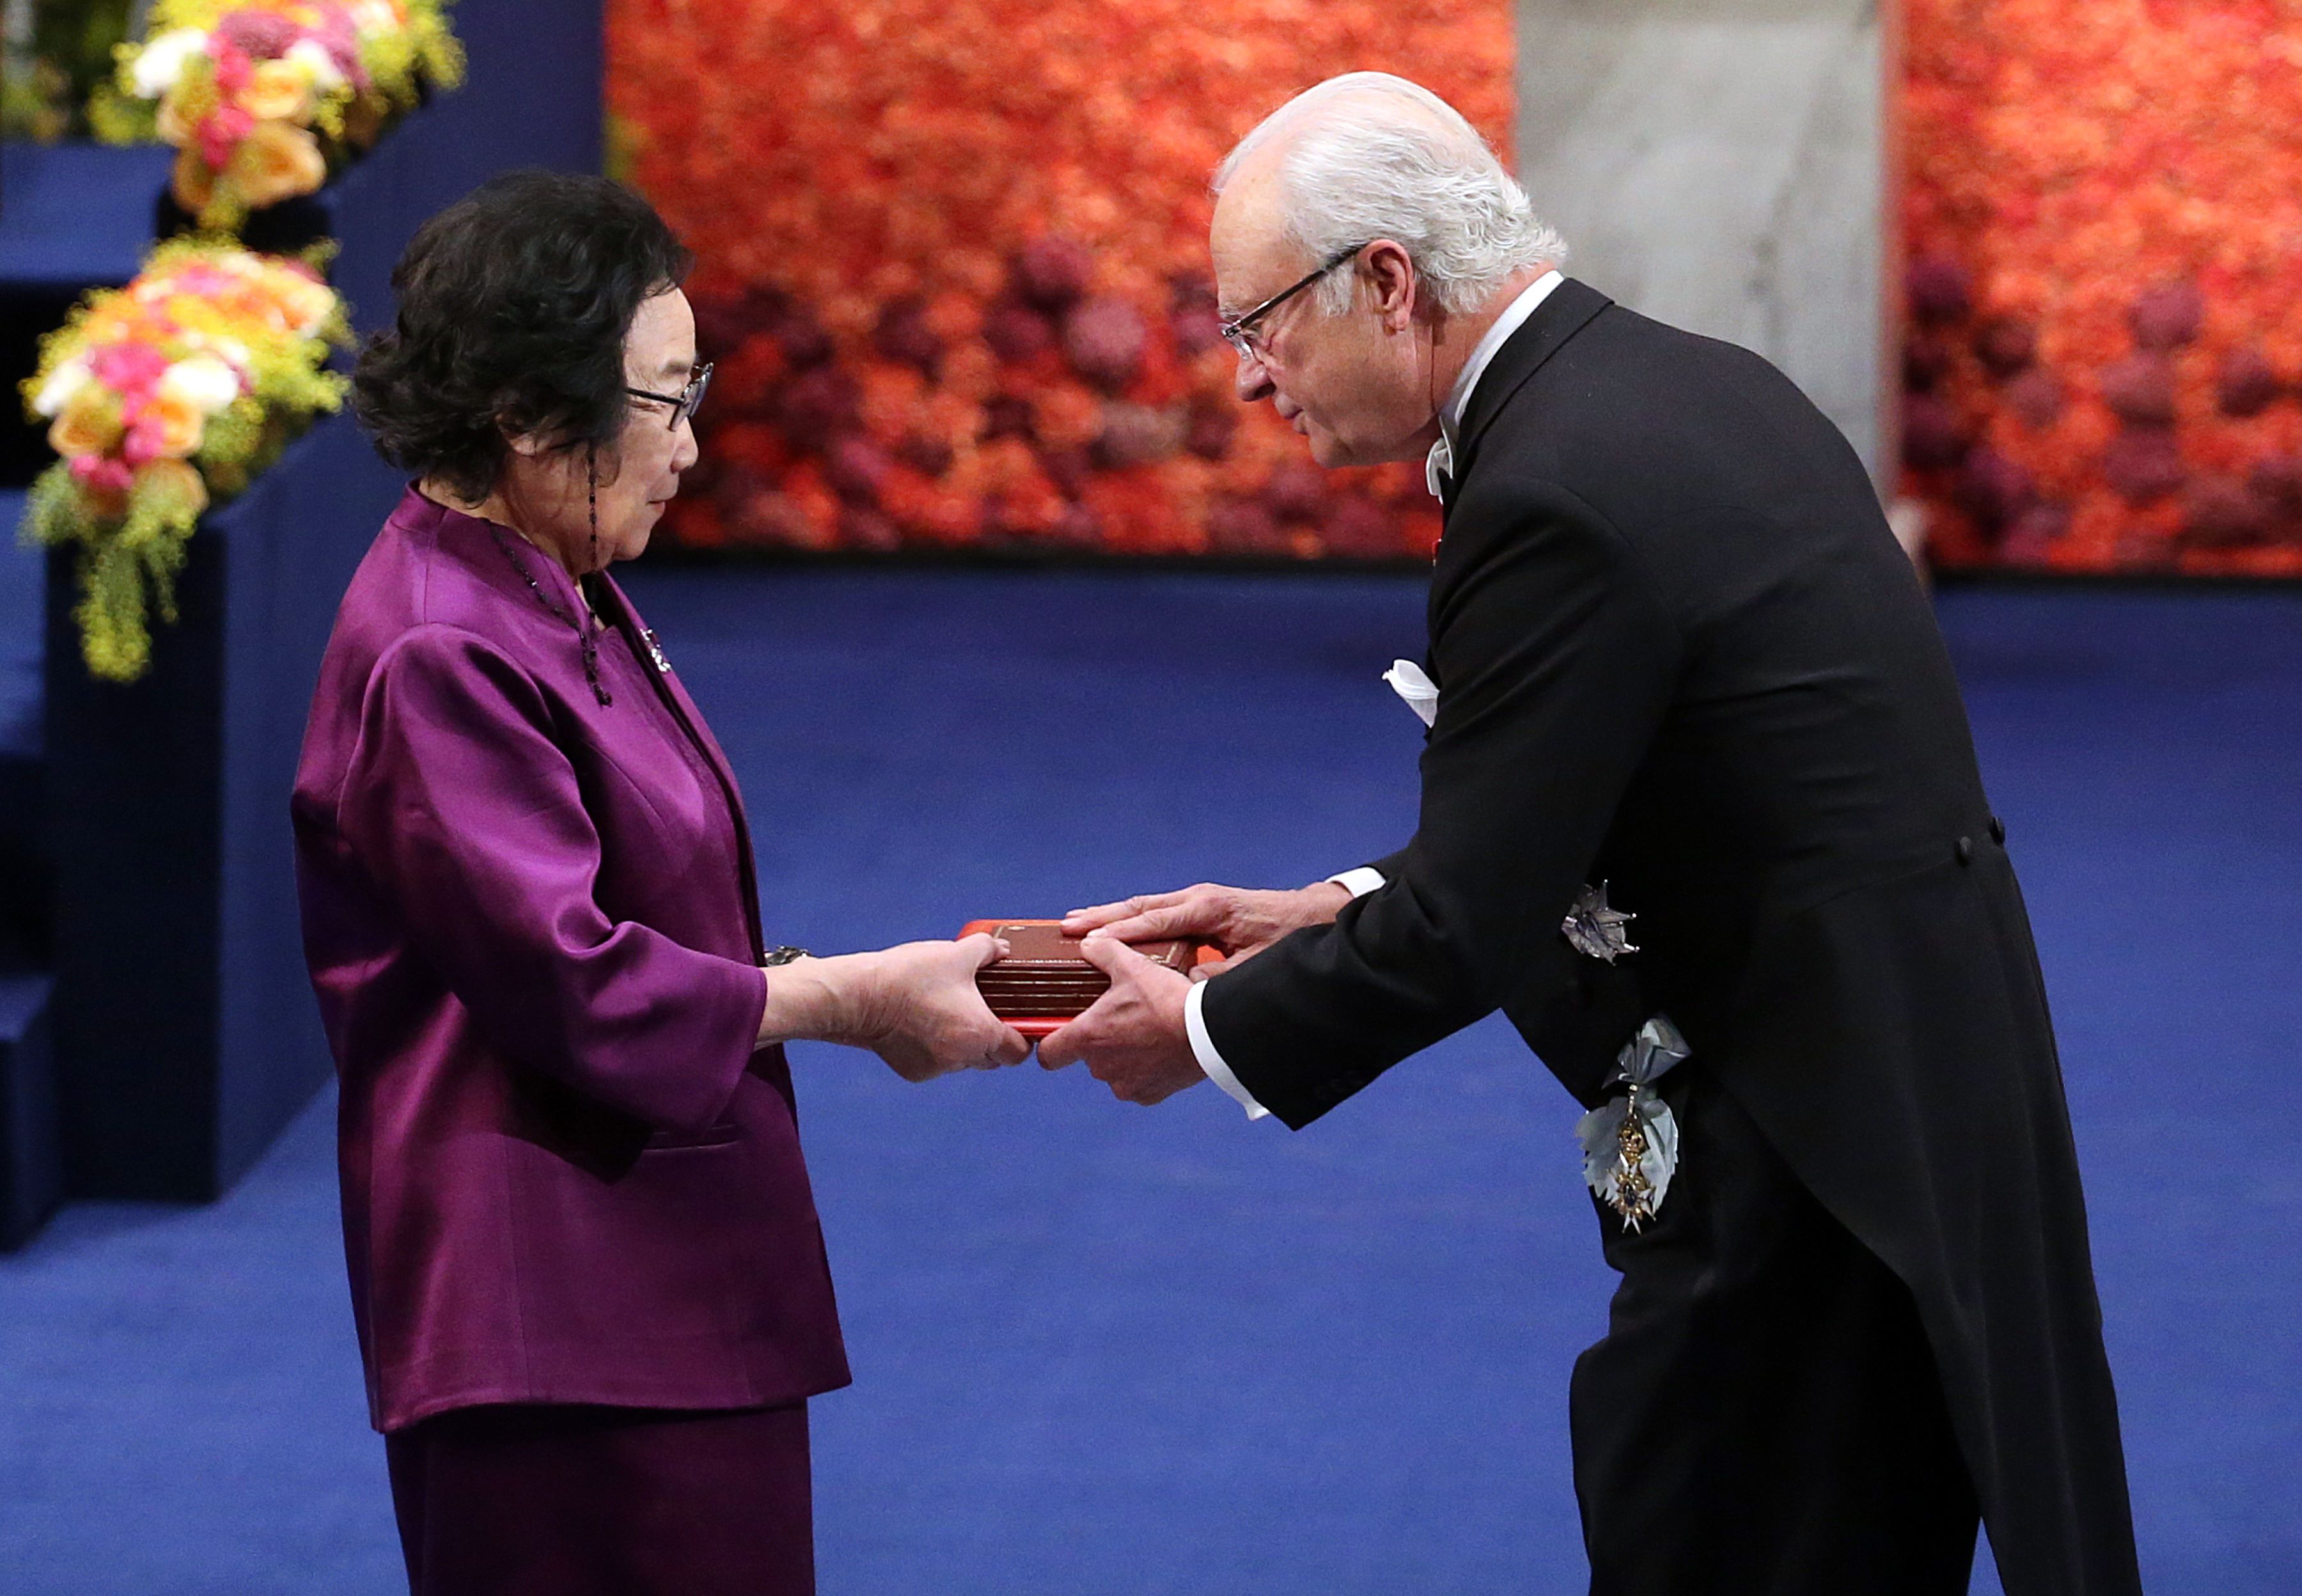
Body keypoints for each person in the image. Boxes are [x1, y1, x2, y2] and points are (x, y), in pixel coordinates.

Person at [1040, 74, 2143, 1595]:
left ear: (1386, 282)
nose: (1246, 378)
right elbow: (1598, 796)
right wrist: (1332, 909)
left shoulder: (1551, 489)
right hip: (1891, 1093)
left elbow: (1474, 914)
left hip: (1796, 1158)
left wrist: (1211, 1029)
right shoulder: (1683, 384)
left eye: (1258, 324)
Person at [290, 170, 1029, 1596]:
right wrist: (852, 998)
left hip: (655, 1284)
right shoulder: (440, 647)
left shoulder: (545, 574)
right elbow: (575, 982)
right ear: (522, 410)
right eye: (665, 398)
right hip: (558, 1330)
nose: (692, 444)